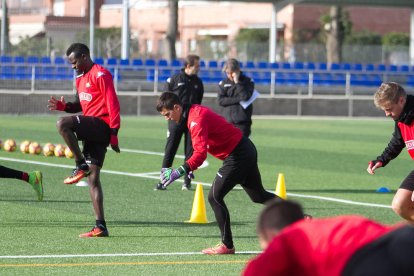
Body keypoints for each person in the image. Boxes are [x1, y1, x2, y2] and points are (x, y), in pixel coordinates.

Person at [156, 92, 281, 255]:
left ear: (177, 107)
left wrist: (180, 171)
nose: (167, 118)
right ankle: (301, 217)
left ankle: (227, 245)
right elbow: (198, 147)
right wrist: (190, 167)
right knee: (258, 196)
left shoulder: (195, 119)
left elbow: (200, 154)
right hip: (244, 149)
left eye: (167, 114)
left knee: (214, 196)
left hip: (238, 155)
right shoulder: (192, 114)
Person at [47, 43, 121, 238]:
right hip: (91, 128)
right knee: (93, 179)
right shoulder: (80, 77)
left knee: (62, 124)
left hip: (102, 125)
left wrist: (114, 134)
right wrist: (65, 106)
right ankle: (101, 226)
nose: (73, 66)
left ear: (84, 56)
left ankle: (80, 163)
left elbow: (113, 104)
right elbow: (80, 105)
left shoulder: (100, 74)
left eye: (74, 62)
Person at [243, 200, 414, 276]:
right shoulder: (322, 229)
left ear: (271, 234)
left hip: (368, 261)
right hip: (401, 236)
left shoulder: (286, 238)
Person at [154, 54, 204, 191]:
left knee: (190, 150)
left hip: (191, 120)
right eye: (197, 66)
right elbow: (165, 98)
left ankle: (186, 182)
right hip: (175, 120)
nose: (199, 68)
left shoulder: (198, 82)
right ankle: (163, 180)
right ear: (188, 66)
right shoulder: (175, 79)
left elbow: (198, 101)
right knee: (170, 149)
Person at [367, 82, 414, 224]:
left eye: (389, 109)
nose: (387, 114)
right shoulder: (401, 118)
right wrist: (382, 160)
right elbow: (397, 142)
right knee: (400, 206)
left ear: (401, 100)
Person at [218, 58, 254, 137]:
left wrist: (237, 82)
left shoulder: (248, 81)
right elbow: (221, 101)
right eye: (227, 73)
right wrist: (238, 99)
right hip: (227, 121)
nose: (230, 75)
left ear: (237, 70)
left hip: (242, 122)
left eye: (232, 73)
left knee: (242, 146)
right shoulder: (223, 83)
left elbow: (245, 97)